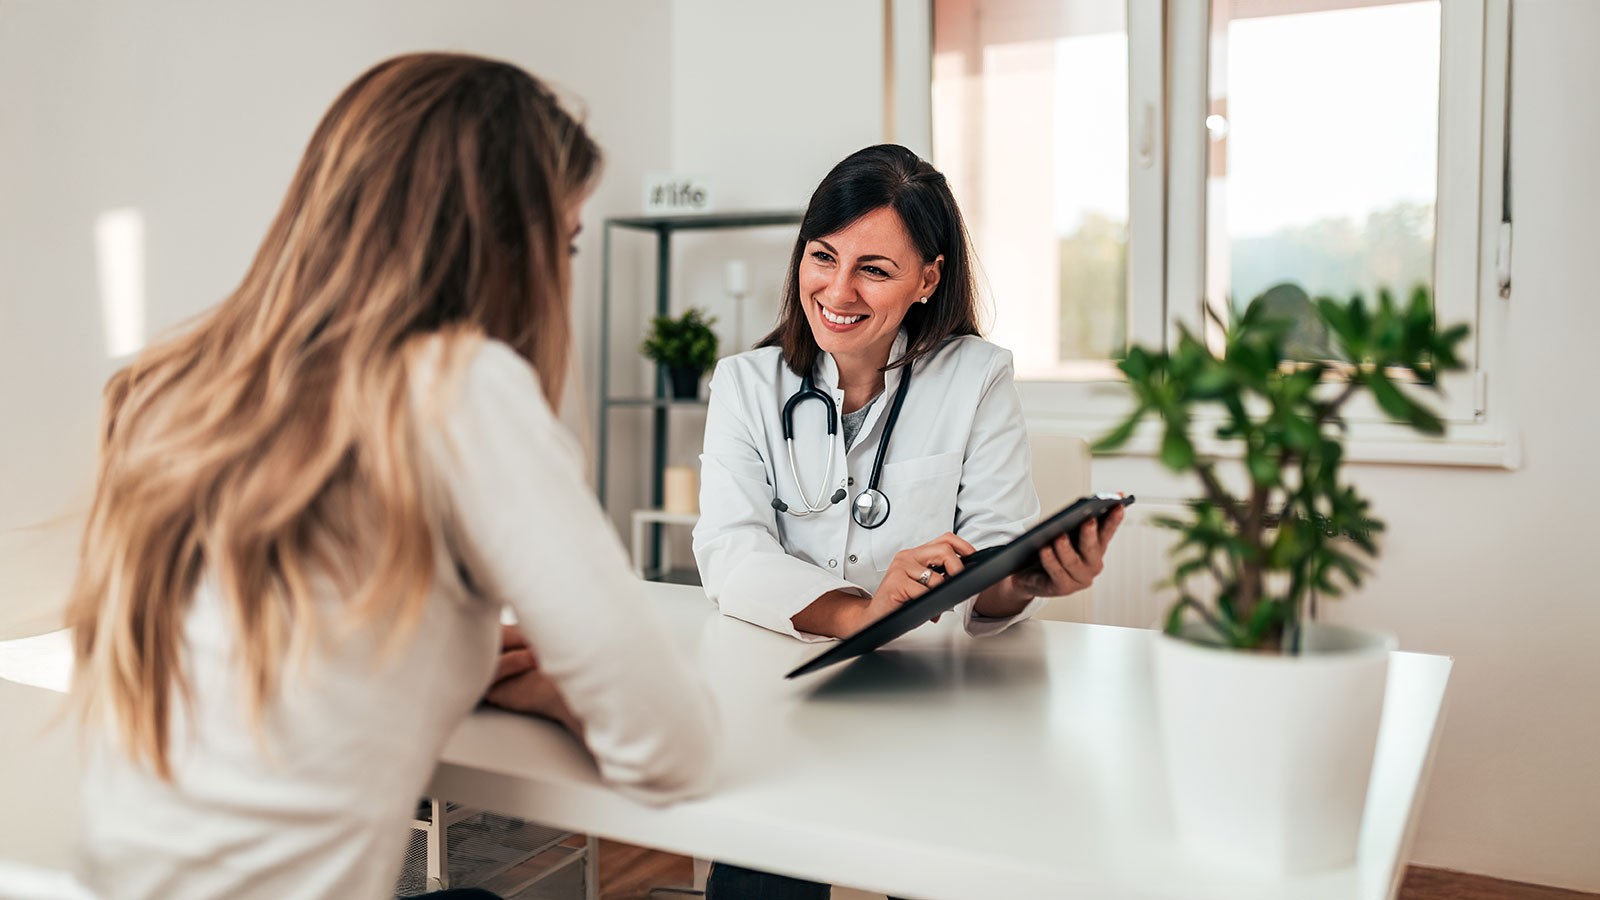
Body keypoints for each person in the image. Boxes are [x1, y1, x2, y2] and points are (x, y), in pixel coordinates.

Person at [65, 53, 718, 900]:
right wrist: (563, 694)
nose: (563, 274)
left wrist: (453, 656)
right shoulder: (458, 386)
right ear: (502, 245)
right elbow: (673, 750)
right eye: (564, 242)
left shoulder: (176, 386)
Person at [691, 144, 1122, 899]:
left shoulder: (975, 376)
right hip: (787, 698)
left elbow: (992, 562)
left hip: (934, 707)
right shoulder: (746, 385)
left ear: (929, 277)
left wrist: (1027, 582)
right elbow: (731, 550)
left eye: (875, 269)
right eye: (823, 256)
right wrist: (863, 613)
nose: (838, 289)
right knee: (762, 882)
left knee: (941, 876)